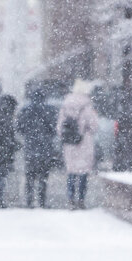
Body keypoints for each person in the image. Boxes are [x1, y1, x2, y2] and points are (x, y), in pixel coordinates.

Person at [57, 79, 98, 209]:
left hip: (69, 143)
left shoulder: (65, 104)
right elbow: (94, 125)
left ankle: (70, 199)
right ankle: (80, 199)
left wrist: (67, 135)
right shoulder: (87, 105)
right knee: (83, 171)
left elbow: (59, 127)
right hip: (84, 142)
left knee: (71, 171)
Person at [16, 87, 58, 208]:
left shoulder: (26, 110)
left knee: (29, 176)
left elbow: (19, 127)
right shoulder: (49, 110)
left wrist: (29, 135)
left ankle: (29, 201)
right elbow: (54, 128)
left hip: (30, 147)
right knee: (43, 177)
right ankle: (42, 201)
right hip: (45, 148)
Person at [0, 94, 20, 209]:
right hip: (4, 151)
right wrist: (13, 144)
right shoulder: (6, 118)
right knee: (0, 176)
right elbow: (6, 136)